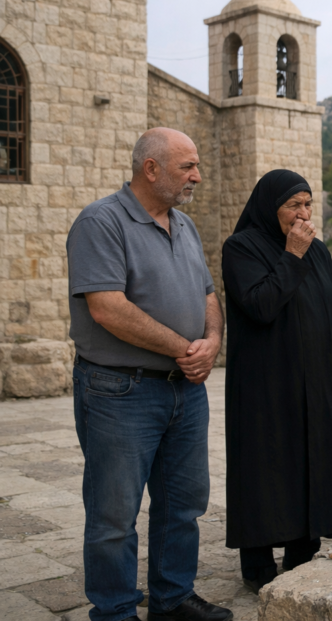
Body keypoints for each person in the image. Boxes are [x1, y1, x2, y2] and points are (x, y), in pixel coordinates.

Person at [67, 128, 231, 621]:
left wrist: (213, 342)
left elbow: (207, 293)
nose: (197, 176)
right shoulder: (101, 222)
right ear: (151, 168)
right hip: (120, 391)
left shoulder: (185, 225)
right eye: (188, 167)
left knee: (183, 505)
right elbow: (107, 309)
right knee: (114, 515)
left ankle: (173, 599)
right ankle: (115, 611)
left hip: (185, 389)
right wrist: (187, 348)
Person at [221, 170, 332, 591]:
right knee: (265, 466)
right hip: (264, 385)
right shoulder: (241, 248)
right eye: (293, 205)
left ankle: (303, 551)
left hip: (316, 382)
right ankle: (258, 562)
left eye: (307, 204)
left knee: (311, 460)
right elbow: (261, 305)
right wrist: (292, 255)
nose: (303, 214)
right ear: (270, 207)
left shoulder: (317, 251)